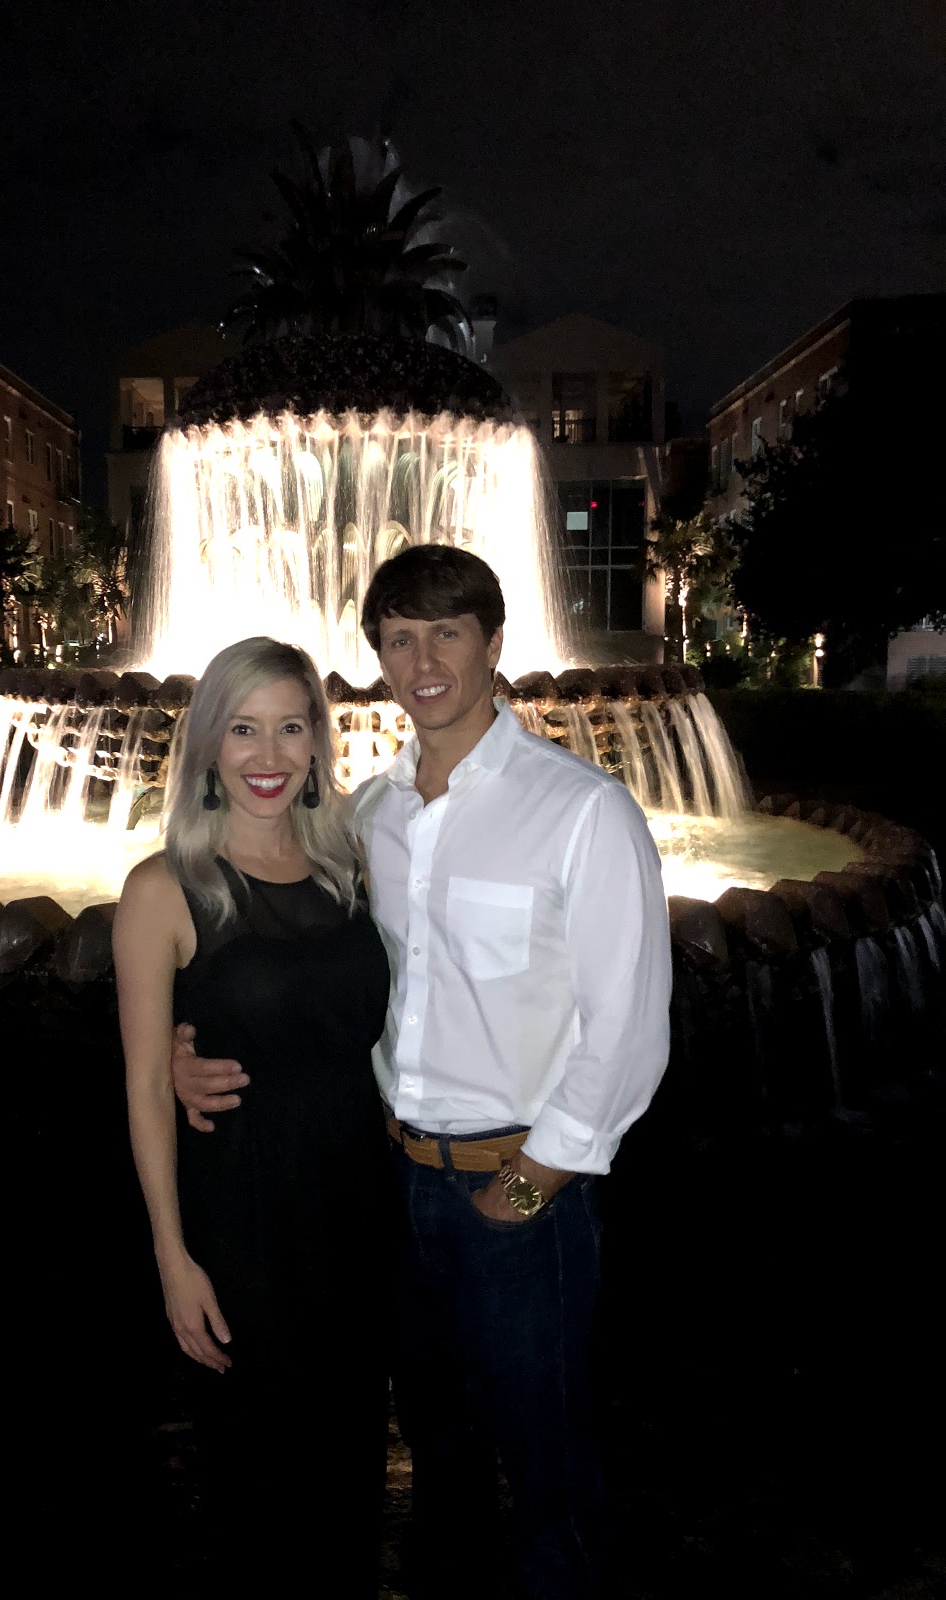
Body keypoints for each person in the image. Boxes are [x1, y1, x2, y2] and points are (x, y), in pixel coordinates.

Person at [173, 546, 672, 1599]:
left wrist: (523, 1193)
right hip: (386, 1191)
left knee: (551, 1471)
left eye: (448, 633)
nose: (424, 661)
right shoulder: (367, 819)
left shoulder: (582, 811)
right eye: (400, 638)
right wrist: (189, 1044)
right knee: (440, 1457)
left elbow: (627, 1034)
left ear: (495, 645)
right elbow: (300, 968)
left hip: (525, 1196)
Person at [114, 636, 393, 1594]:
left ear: (317, 742)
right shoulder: (163, 889)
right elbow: (145, 1086)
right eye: (243, 729)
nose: (268, 756)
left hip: (357, 1206)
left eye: (289, 727)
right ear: (208, 746)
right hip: (240, 1219)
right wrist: (172, 1259)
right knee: (256, 1478)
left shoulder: (353, 868)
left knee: (349, 1466)